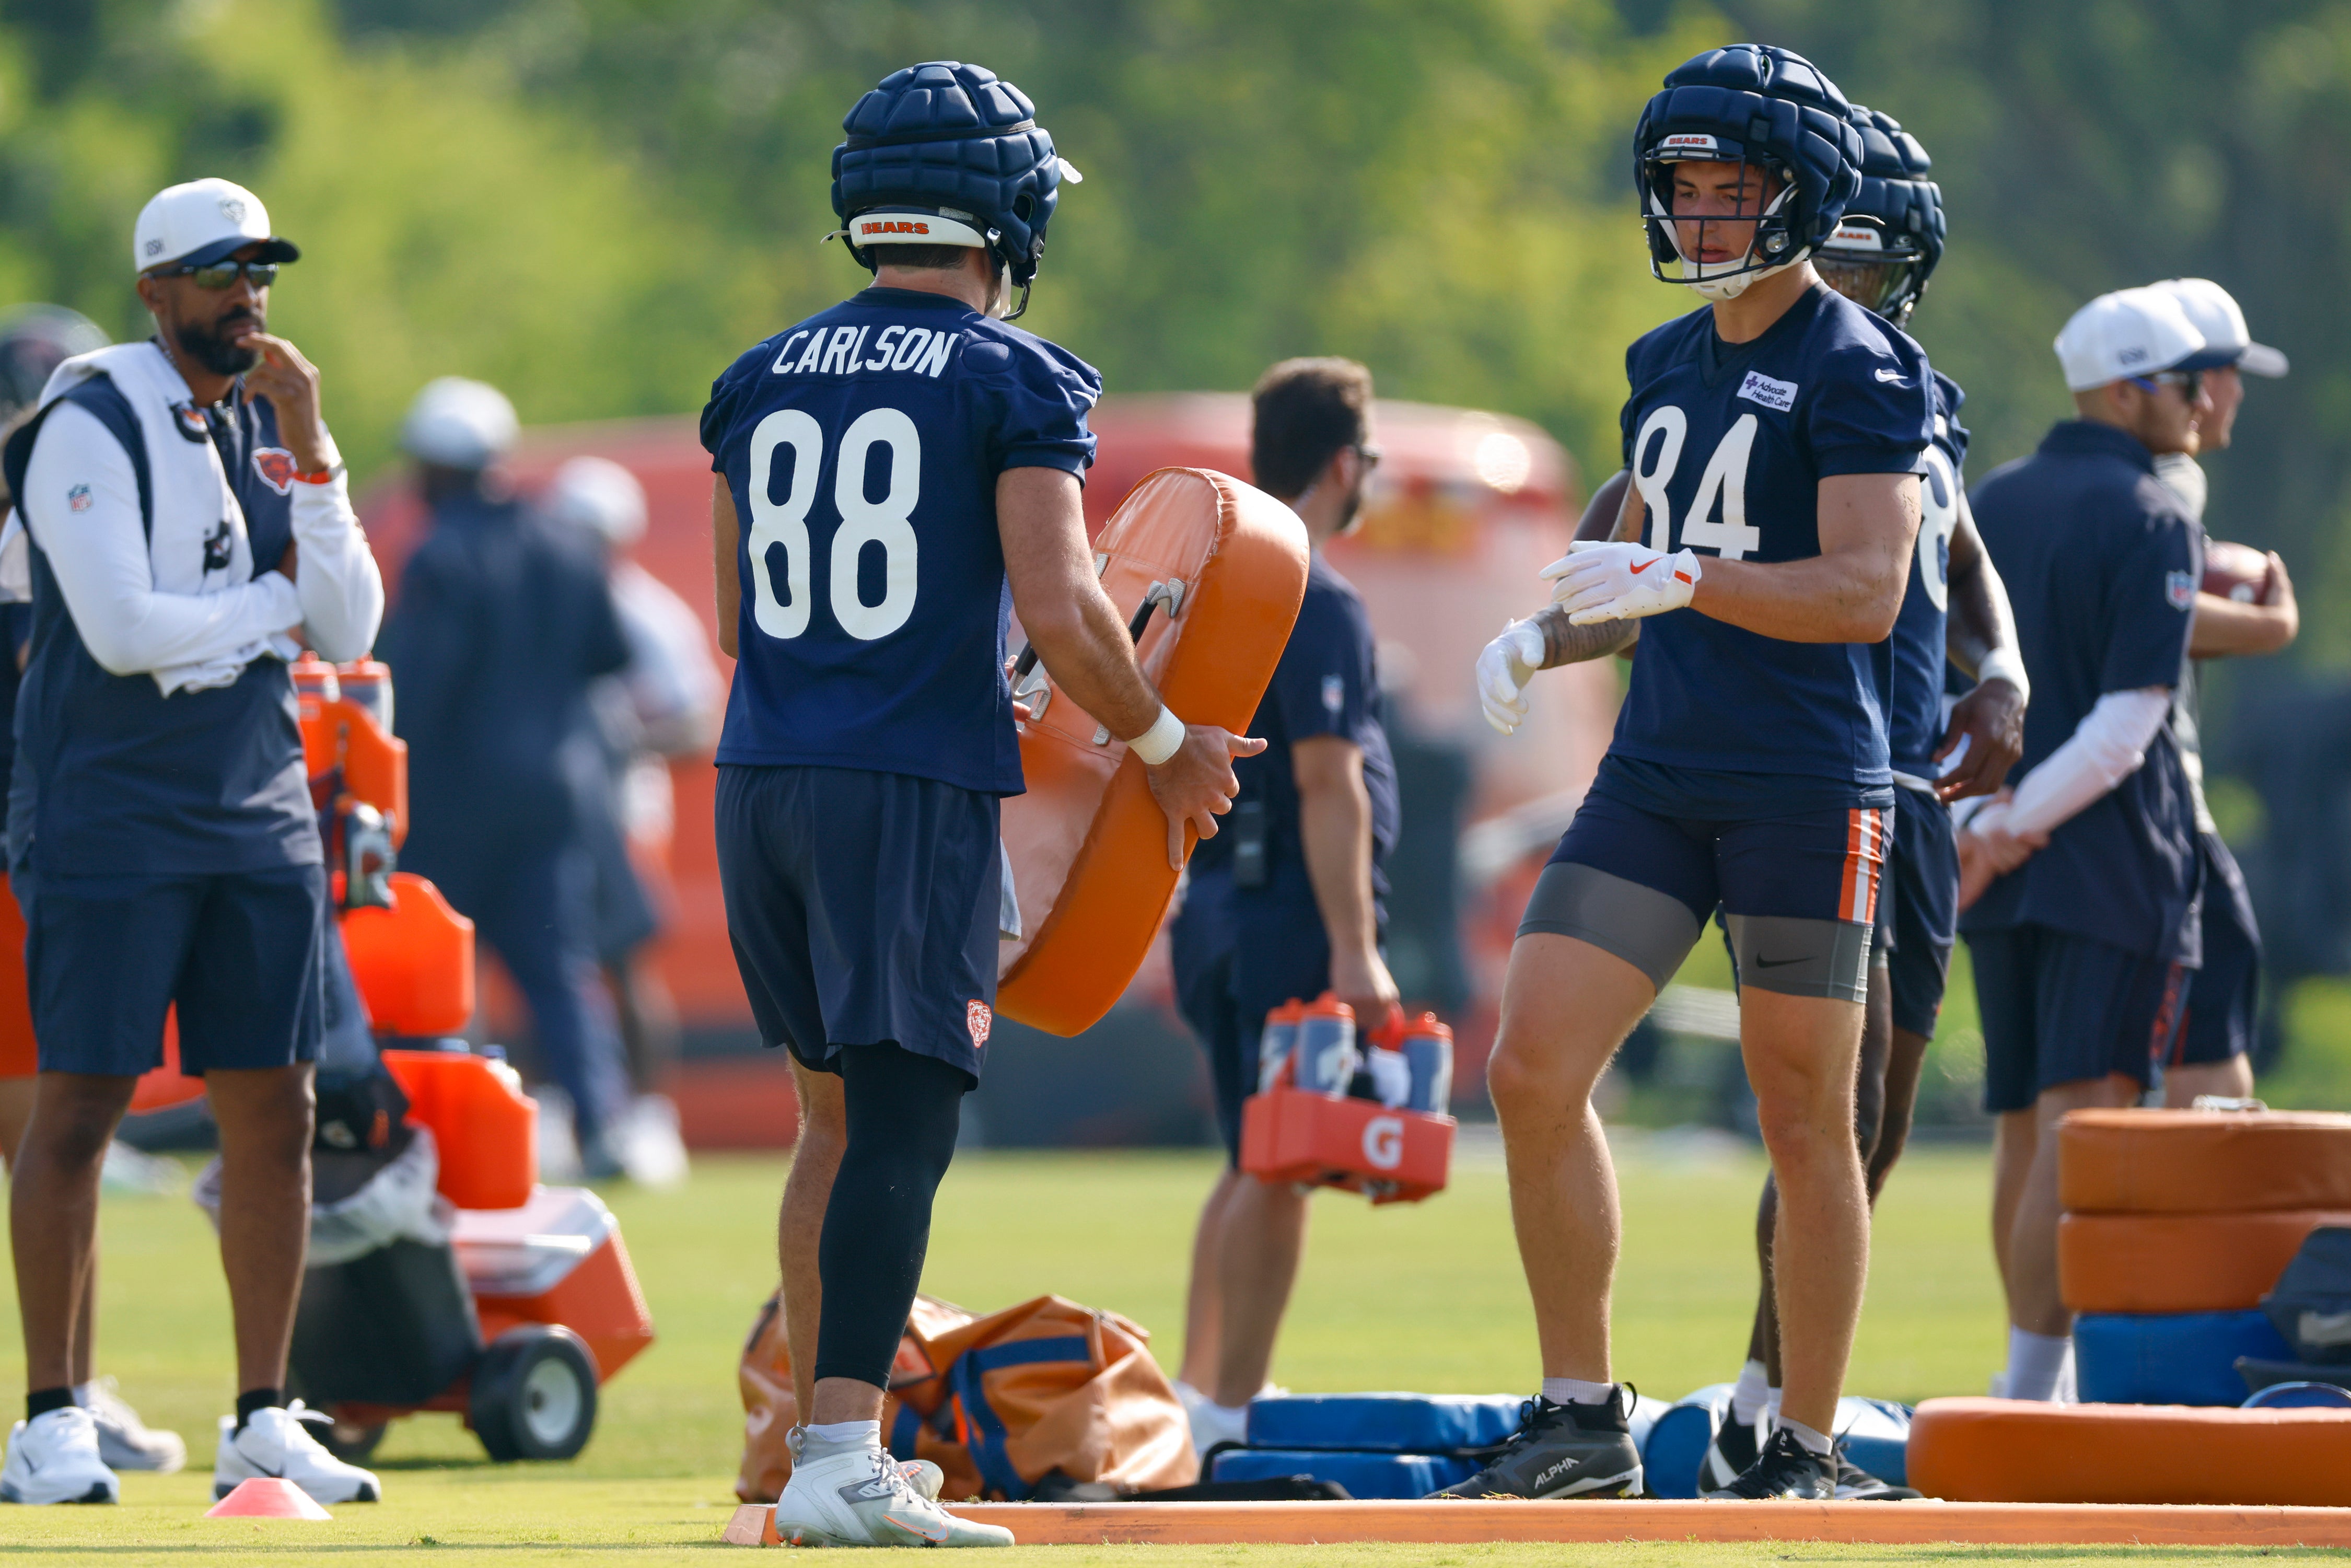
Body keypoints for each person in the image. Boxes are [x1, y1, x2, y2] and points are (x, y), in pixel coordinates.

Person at [703, 61, 1257, 1549]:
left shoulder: (757, 376)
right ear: (1004, 208)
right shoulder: (1016, 376)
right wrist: (1163, 743)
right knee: (901, 1125)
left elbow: (730, 615)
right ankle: (837, 1456)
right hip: (898, 786)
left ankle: (813, 1443)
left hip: (760, 774)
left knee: (830, 1123)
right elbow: (1068, 604)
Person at [1461, 44, 1928, 1501]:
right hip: (1658, 772)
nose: (1703, 216)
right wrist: (1549, 630)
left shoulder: (1862, 366)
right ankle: (1579, 1413)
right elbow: (1642, 566)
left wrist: (1683, 574)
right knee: (1530, 1066)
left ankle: (1801, 1439)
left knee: (1804, 1120)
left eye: (1733, 190)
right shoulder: (1662, 362)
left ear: (1799, 198)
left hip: (1803, 780)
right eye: (1684, 187)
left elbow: (1860, 588)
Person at [0, 178, 384, 1505]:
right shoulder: (87, 417)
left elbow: (346, 626)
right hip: (112, 802)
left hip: (256, 804)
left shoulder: (268, 423)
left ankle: (263, 1417)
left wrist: (316, 445)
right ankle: (53, 1415)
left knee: (278, 1108)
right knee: (81, 1103)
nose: (249, 296)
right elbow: (120, 631)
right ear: (156, 287)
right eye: (221, 273)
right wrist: (271, 603)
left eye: (262, 271)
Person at [1695, 103, 2028, 1492]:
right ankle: (1768, 1412)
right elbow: (1637, 487)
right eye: (1836, 266)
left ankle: (1775, 1385)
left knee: (1879, 1113)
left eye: (1875, 272)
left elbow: (1953, 537)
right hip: (1801, 762)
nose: (1853, 297)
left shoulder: (1910, 391)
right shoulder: (1759, 368)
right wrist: (1571, 608)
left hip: (1908, 766)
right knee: (1820, 1104)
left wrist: (1997, 662)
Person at [1956, 286, 2213, 1402]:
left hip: (1998, 862)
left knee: (2024, 1119)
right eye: (2192, 383)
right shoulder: (2156, 517)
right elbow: (2128, 723)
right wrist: (2009, 820)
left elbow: (1938, 685)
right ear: (2129, 390)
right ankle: (2032, 1394)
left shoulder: (1992, 498)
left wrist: (1979, 822)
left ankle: (2031, 1384)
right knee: (2083, 1117)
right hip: (2105, 862)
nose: (2208, 405)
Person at [1169, 357, 1401, 1453]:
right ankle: (1226, 1414)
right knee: (1284, 1162)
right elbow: (1329, 778)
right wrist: (1357, 952)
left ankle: (1196, 1390)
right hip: (1286, 916)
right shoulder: (1318, 588)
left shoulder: (1228, 575)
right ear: (1345, 461)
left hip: (1213, 904)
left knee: (1246, 1160)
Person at [0, 304, 187, 1479]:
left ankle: (66, 1395)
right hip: (29, 850)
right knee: (56, 1134)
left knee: (53, 1135)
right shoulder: (44, 520)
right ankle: (61, 1400)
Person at [376, 379, 636, 1178]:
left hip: (453, 801)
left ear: (439, 467)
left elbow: (418, 684)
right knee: (560, 971)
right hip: (552, 797)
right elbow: (610, 655)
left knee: (440, 978)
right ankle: (604, 1127)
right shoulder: (563, 543)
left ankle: (434, 1139)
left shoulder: (442, 554)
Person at [546, 454, 724, 1180]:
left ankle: (649, 1116)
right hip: (552, 811)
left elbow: (697, 718)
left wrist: (617, 739)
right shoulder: (538, 604)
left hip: (621, 809)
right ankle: (569, 1109)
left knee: (623, 963)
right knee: (551, 964)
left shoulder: (644, 613)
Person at [2146, 277, 2296, 1105]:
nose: (2236, 393)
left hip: (2066, 795)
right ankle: (2210, 1225)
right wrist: (2270, 620)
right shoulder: (2169, 477)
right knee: (2212, 1022)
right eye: (2229, 371)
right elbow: (2148, 613)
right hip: (2151, 792)